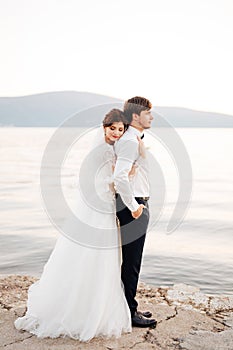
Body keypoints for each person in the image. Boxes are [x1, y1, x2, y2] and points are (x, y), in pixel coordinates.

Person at [14, 109, 132, 342]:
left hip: (103, 208)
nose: (117, 133)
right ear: (104, 127)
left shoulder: (109, 149)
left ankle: (90, 301)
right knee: (93, 254)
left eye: (121, 130)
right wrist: (122, 179)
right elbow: (98, 181)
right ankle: (82, 309)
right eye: (113, 128)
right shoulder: (103, 151)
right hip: (98, 208)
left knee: (99, 257)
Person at [113, 96, 157, 328]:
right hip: (133, 207)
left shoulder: (132, 138)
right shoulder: (130, 140)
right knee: (132, 262)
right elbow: (119, 177)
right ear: (135, 116)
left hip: (137, 203)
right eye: (148, 113)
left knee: (131, 261)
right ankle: (129, 313)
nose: (152, 116)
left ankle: (129, 306)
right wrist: (135, 207)